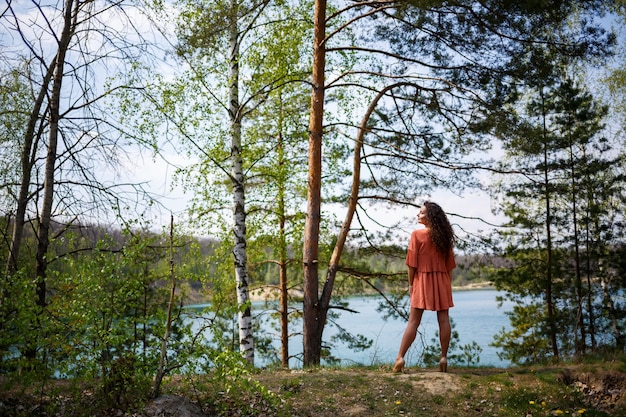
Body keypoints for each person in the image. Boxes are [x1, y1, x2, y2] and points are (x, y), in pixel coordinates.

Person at [392, 201, 456, 373]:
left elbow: (411, 265)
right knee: (444, 319)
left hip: (422, 280)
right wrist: (447, 285)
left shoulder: (417, 235)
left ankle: (400, 357)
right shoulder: (444, 237)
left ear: (430, 216)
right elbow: (449, 266)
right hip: (442, 279)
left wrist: (412, 284)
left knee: (413, 321)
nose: (417, 215)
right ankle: (443, 357)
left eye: (420, 212)